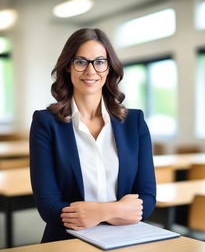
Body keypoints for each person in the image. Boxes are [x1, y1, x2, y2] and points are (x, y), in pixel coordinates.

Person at [29, 28, 156, 243]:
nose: (91, 71)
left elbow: (147, 199)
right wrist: (119, 210)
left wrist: (96, 213)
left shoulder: (134, 122)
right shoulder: (45, 123)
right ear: (68, 67)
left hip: (125, 240)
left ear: (109, 68)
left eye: (99, 61)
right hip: (67, 241)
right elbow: (48, 206)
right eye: (81, 61)